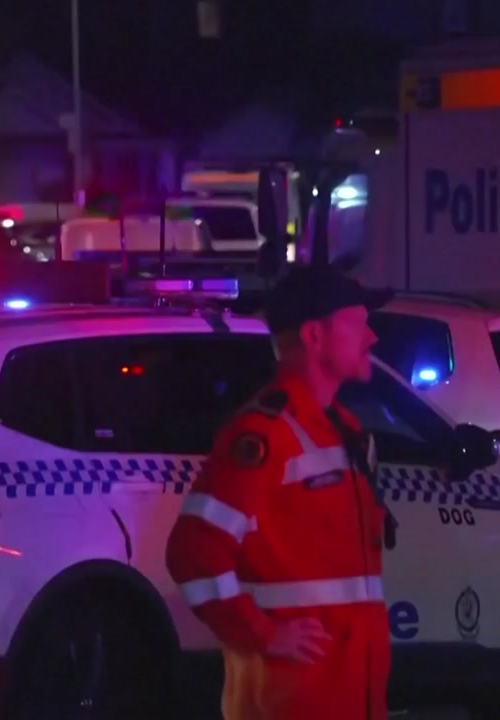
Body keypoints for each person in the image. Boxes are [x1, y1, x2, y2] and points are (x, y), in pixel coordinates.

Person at [165, 263, 395, 720]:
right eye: (358, 323)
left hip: (344, 696)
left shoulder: (342, 430)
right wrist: (263, 635)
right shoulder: (265, 436)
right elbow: (194, 552)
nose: (372, 338)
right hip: (291, 701)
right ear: (314, 336)